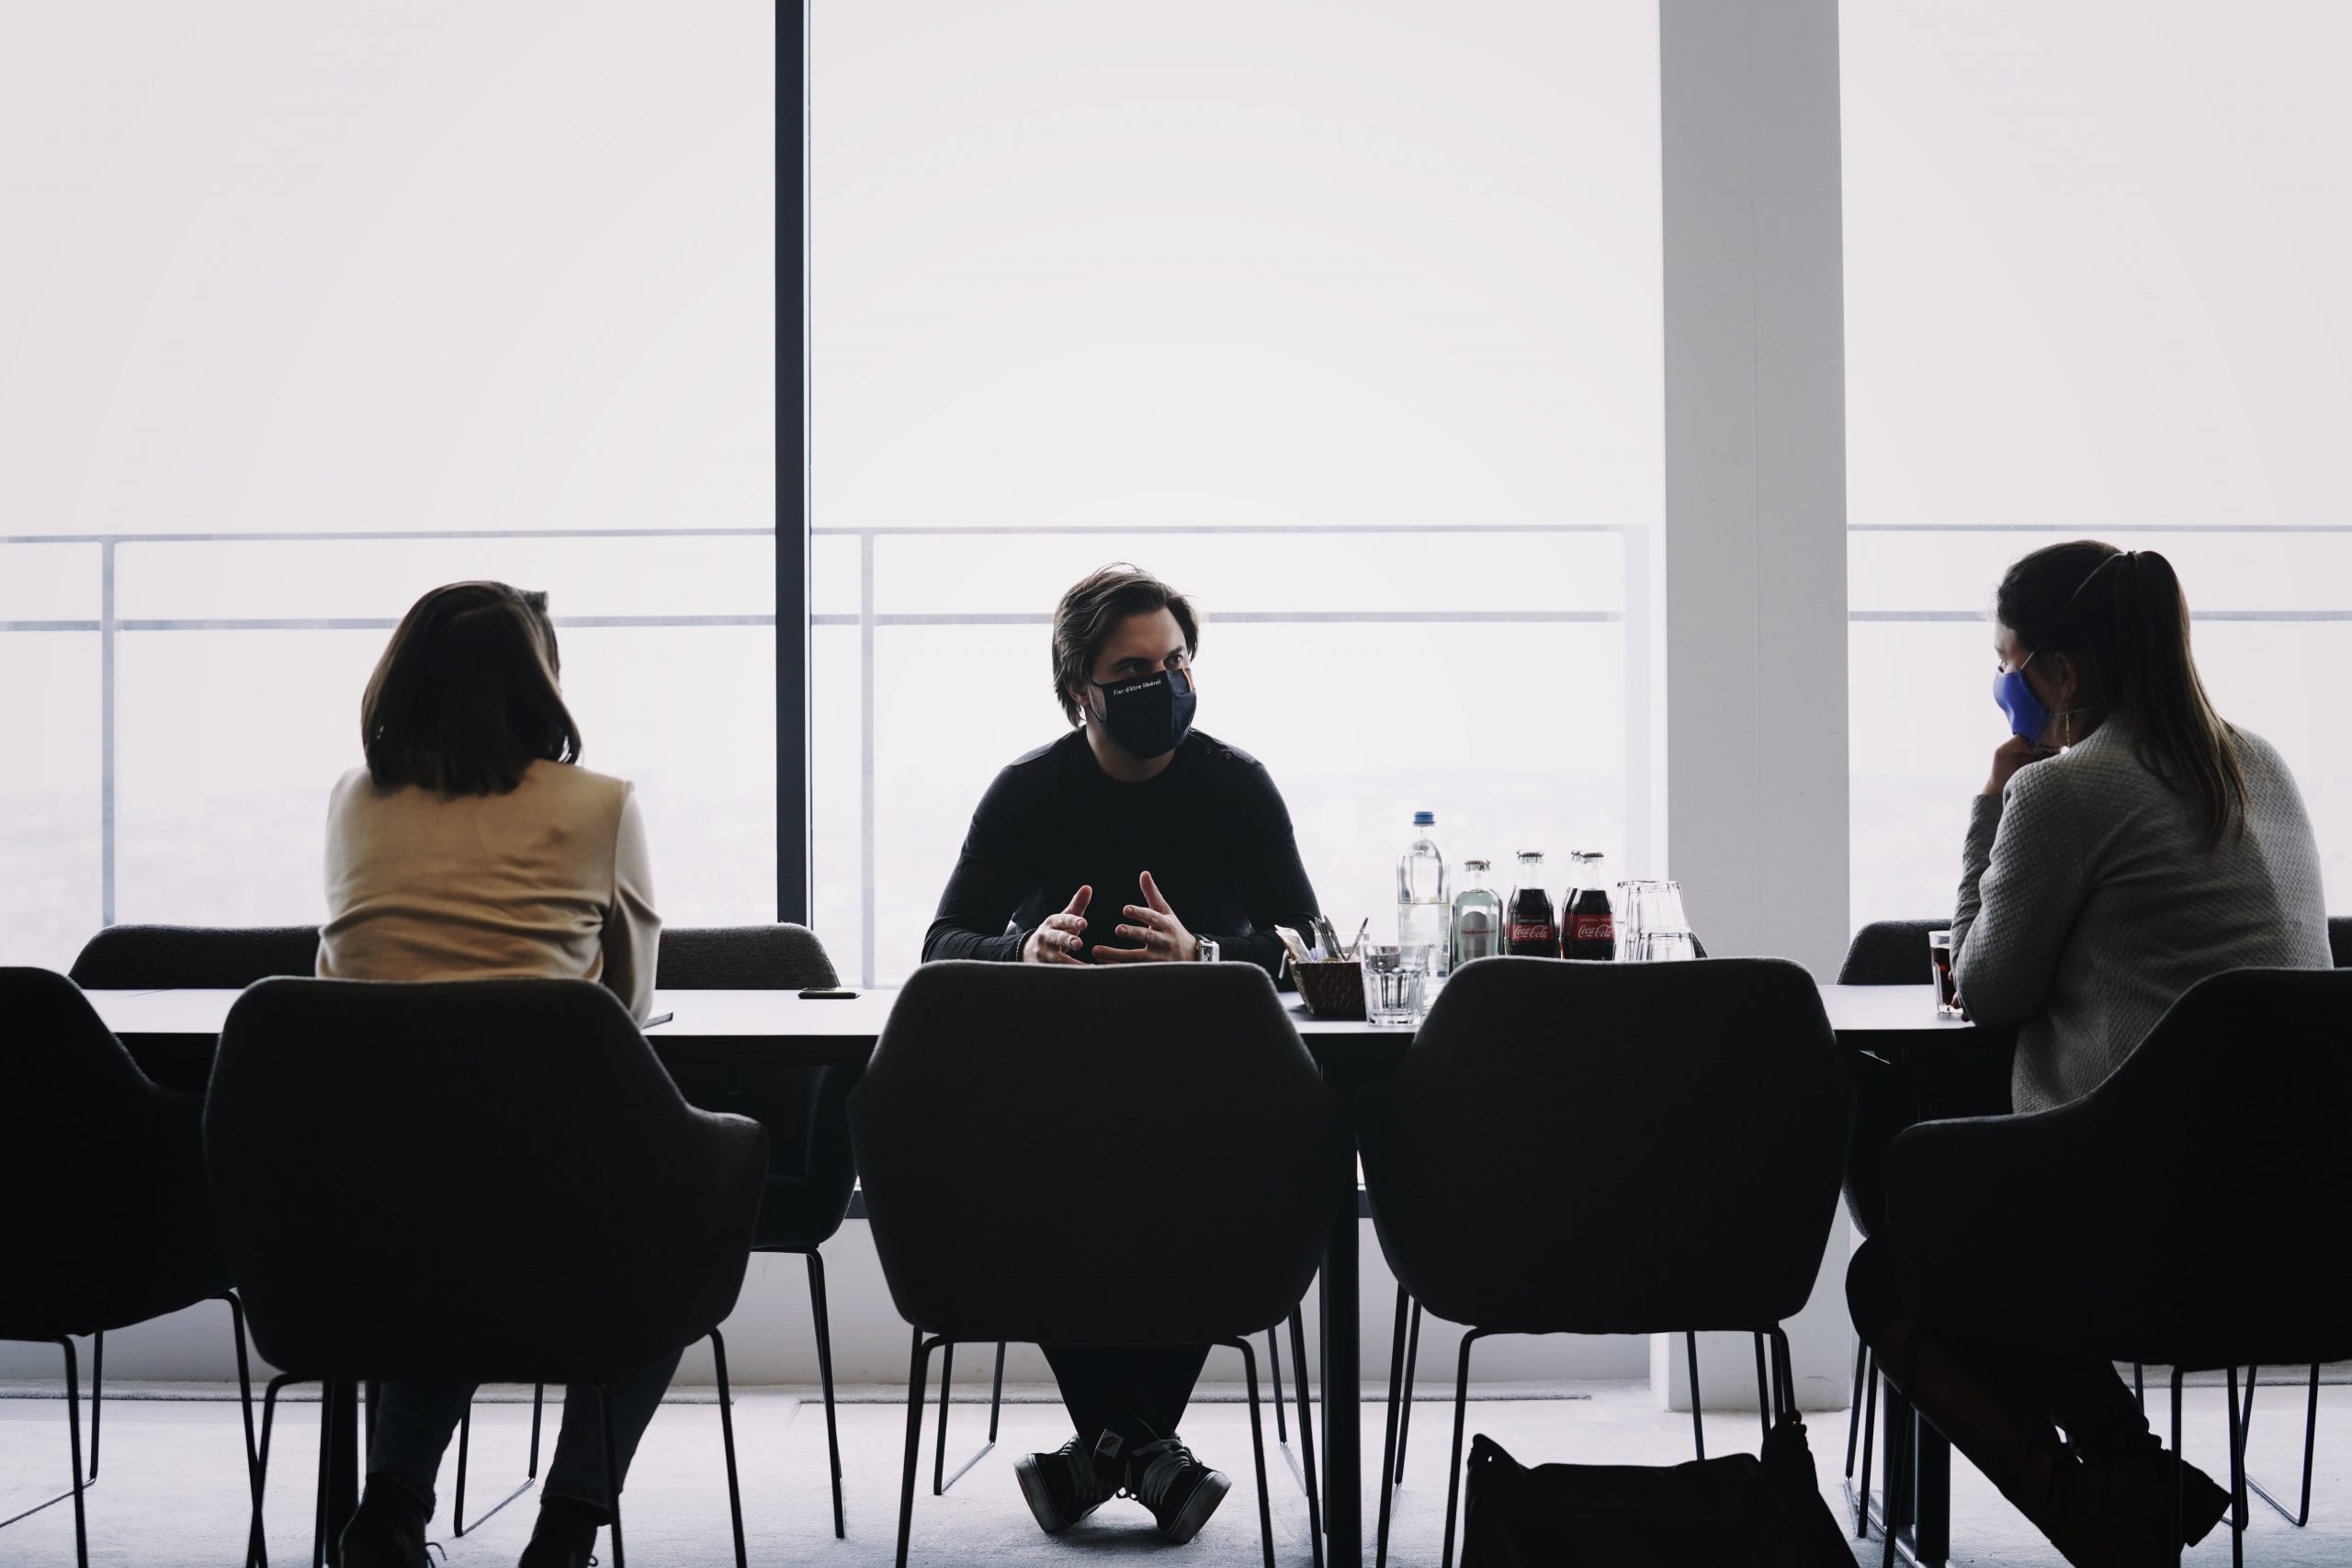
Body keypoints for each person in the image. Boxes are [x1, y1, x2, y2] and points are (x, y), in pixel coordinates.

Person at [1848, 542, 2330, 1567]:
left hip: (2142, 1232)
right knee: (1962, 1218)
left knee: (1895, 1267)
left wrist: (1991, 805)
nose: (2001, 686)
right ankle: (2126, 1468)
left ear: (2059, 673)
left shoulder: (2068, 790)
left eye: (2006, 661)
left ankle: (2109, 1501)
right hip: (2307, 1227)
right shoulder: (2263, 764)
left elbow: (1985, 991)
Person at [923, 563, 1321, 1545]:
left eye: (1177, 661)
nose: (1166, 682)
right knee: (1048, 1186)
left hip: (1210, 1098)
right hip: (1057, 1100)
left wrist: (1207, 956)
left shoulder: (1236, 785)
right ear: (1078, 695)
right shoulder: (1026, 792)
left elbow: (1310, 943)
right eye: (1135, 669)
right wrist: (1023, 949)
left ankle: (1107, 1451)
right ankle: (1141, 1451)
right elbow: (943, 944)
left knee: (1206, 1186)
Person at [319, 581, 663, 1568]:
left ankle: (387, 1509)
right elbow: (626, 1011)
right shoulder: (600, 805)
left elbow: (335, 982)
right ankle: (566, 1529)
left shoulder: (354, 799)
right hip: (546, 1204)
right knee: (665, 1252)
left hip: (370, 1211)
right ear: (537, 681)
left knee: (447, 1227)